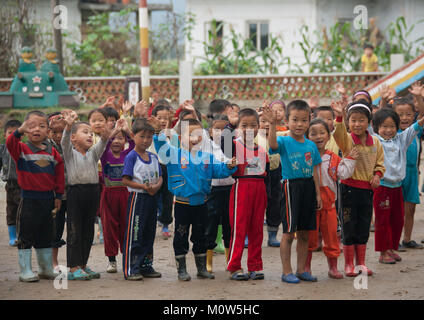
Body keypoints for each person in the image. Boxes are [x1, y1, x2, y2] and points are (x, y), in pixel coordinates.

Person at [150, 116, 237, 281]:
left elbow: (219, 171)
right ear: (181, 138)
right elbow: (161, 146)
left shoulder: (207, 157)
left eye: (199, 134)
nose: (195, 138)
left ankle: (201, 268)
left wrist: (229, 166)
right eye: (190, 135)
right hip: (183, 205)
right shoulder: (173, 154)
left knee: (201, 236)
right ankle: (181, 269)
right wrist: (157, 132)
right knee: (181, 237)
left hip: (202, 204)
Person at [264, 100, 322, 284]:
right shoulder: (283, 140)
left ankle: (301, 270)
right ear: (287, 121)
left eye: (303, 120)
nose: (299, 124)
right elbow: (272, 146)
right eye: (295, 120)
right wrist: (272, 124)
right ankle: (286, 271)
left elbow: (315, 170)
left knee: (305, 233)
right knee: (289, 233)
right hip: (290, 187)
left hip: (308, 189)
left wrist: (318, 194)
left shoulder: (311, 145)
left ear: (309, 120)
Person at [6, 111, 65, 282]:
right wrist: (18, 131)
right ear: (25, 130)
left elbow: (59, 175)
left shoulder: (53, 152)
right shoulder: (21, 149)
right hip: (28, 200)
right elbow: (10, 143)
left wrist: (58, 196)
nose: (36, 129)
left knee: (45, 234)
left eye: (41, 126)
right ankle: (25, 270)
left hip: (48, 199)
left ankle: (45, 269)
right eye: (31, 126)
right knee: (26, 235)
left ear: (48, 130)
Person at [331, 99, 385, 277]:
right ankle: (348, 265)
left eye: (361, 120)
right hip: (348, 191)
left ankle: (360, 263)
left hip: (367, 191)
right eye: (353, 120)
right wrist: (339, 116)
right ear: (348, 122)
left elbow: (380, 163)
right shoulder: (346, 140)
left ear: (369, 122)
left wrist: (377, 175)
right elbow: (338, 134)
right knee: (348, 226)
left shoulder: (375, 142)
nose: (357, 124)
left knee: (363, 226)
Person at [371, 108, 424, 264]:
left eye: (392, 126)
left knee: (397, 220)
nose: (388, 130)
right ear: (376, 128)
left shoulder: (401, 139)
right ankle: (383, 252)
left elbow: (415, 127)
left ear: (397, 126)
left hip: (397, 187)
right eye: (384, 126)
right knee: (383, 221)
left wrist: (421, 120)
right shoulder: (374, 140)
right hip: (382, 187)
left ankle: (392, 248)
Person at [61, 110, 110, 280]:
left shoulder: (93, 153)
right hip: (76, 193)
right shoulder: (69, 153)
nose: (90, 135)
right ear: (73, 138)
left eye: (91, 133)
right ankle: (73, 268)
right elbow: (64, 142)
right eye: (85, 132)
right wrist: (68, 126)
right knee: (75, 231)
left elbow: (103, 142)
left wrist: (107, 133)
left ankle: (83, 264)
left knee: (88, 231)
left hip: (92, 192)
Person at [306, 118, 357, 279]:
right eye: (313, 133)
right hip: (309, 205)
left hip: (329, 205)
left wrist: (350, 159)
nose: (318, 136)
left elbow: (343, 173)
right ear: (307, 136)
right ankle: (305, 267)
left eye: (322, 133)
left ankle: (333, 267)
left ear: (328, 136)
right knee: (309, 238)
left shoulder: (333, 157)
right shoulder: (305, 156)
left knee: (331, 237)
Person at [225, 108, 270, 281]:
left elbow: (268, 175)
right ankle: (234, 266)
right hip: (242, 189)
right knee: (239, 229)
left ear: (259, 127)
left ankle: (255, 265)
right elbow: (224, 144)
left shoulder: (262, 149)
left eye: (253, 125)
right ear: (238, 127)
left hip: (260, 190)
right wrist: (230, 124)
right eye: (244, 125)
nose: (249, 129)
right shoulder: (234, 144)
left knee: (257, 230)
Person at [121, 118, 163, 281]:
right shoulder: (131, 157)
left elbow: (160, 177)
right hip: (137, 199)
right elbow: (125, 180)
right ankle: (131, 268)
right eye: (142, 136)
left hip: (152, 199)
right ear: (133, 136)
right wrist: (144, 187)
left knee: (149, 233)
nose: (146, 140)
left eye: (149, 137)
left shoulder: (153, 157)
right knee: (135, 233)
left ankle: (146, 265)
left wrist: (156, 186)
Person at [100, 119, 135, 274]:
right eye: (114, 138)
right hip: (108, 196)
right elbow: (104, 143)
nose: (116, 141)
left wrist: (127, 130)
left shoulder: (128, 155)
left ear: (125, 141)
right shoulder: (105, 155)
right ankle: (111, 260)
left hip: (125, 195)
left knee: (125, 227)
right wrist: (114, 131)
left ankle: (126, 257)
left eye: (120, 138)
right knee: (109, 228)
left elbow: (135, 144)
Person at [205, 114, 235, 272]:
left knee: (229, 226)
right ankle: (208, 261)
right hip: (213, 190)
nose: (221, 133)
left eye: (225, 129)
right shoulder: (207, 147)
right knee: (211, 225)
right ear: (210, 131)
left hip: (230, 189)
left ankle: (229, 260)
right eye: (217, 129)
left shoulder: (232, 147)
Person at [397, 83, 424, 250]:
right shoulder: (391, 132)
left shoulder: (416, 130)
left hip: (413, 174)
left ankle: (407, 239)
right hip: (396, 175)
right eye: (400, 115)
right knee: (396, 210)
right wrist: (384, 100)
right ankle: (394, 240)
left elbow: (423, 114)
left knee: (410, 209)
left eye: (408, 114)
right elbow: (381, 115)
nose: (405, 118)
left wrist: (420, 97)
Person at [256, 111, 282, 247]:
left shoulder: (279, 135)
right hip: (258, 174)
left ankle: (272, 235)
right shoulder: (254, 136)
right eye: (262, 121)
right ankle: (250, 235)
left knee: (275, 204)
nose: (266, 124)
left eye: (269, 121)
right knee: (256, 205)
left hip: (276, 172)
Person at [47, 112, 68, 271]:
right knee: (55, 228)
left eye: (62, 131)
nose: (58, 135)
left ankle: (76, 262)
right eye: (54, 132)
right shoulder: (47, 147)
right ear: (48, 131)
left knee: (74, 228)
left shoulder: (71, 143)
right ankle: (52, 262)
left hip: (73, 192)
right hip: (55, 195)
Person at [150, 105, 174, 239]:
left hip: (167, 168)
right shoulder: (148, 133)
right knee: (152, 197)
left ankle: (165, 224)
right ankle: (151, 224)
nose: (162, 121)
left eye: (165, 118)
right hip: (153, 167)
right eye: (159, 118)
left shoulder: (171, 133)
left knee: (167, 198)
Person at [88, 108, 108, 245]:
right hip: (92, 175)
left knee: (104, 205)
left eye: (101, 120)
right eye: (94, 121)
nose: (98, 123)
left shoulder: (110, 137)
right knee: (93, 205)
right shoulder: (88, 137)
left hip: (106, 175)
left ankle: (102, 231)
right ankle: (92, 233)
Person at [1, 120, 22, 246]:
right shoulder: (2, 149)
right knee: (11, 211)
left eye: (16, 133)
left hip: (22, 186)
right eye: (10, 133)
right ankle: (12, 236)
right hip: (9, 186)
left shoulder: (23, 148)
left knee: (22, 211)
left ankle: (21, 235)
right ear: (4, 135)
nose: (13, 136)